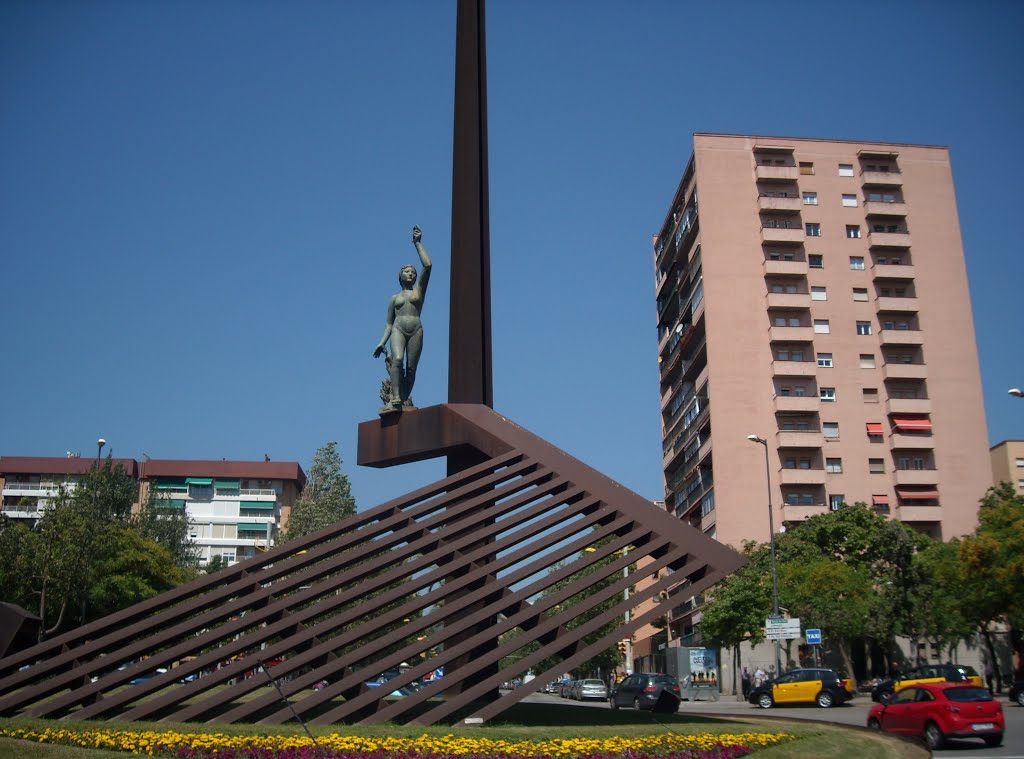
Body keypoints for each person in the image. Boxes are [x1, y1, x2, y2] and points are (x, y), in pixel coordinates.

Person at [373, 225, 432, 410]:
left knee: (411, 368)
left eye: (413, 273)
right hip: (398, 329)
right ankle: (396, 397)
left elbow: (428, 265)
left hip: (416, 329)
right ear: (400, 276)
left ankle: (404, 398)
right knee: (397, 360)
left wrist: (417, 243)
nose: (411, 274)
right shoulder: (394, 298)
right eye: (407, 271)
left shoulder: (419, 292)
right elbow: (389, 323)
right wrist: (381, 342)